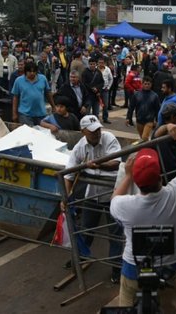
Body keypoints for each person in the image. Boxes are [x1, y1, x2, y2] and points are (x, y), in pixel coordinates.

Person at [110, 120, 176, 311]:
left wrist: (128, 176)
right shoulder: (175, 194)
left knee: (127, 307)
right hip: (169, 268)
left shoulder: (126, 206)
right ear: (161, 177)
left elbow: (114, 198)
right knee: (170, 306)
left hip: (133, 269)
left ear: (138, 184)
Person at [63, 115, 123, 283]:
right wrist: (67, 196)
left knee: (115, 234)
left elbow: (116, 162)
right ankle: (79, 257)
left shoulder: (109, 138)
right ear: (83, 132)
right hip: (92, 195)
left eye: (98, 129)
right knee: (86, 230)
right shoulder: (80, 146)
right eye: (92, 131)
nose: (96, 133)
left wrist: (99, 164)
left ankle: (117, 269)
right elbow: (69, 172)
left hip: (112, 194)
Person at [11, 61, 55, 126]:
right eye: (30, 71)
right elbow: (15, 97)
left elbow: (48, 93)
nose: (32, 73)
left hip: (41, 114)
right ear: (25, 72)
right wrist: (14, 113)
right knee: (29, 134)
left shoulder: (43, 78)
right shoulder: (18, 80)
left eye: (34, 71)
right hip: (25, 114)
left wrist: (53, 106)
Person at [126, 76, 160, 141]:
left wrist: (157, 120)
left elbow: (157, 109)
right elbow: (131, 107)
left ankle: (146, 149)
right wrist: (128, 118)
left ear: (151, 85)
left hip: (149, 120)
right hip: (139, 120)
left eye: (148, 84)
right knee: (142, 138)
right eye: (145, 84)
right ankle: (145, 149)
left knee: (144, 137)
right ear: (142, 84)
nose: (147, 85)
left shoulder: (155, 96)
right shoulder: (137, 94)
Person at [98, 57, 114, 124]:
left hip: (105, 90)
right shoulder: (95, 69)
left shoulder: (107, 69)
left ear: (104, 63)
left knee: (105, 105)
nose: (101, 64)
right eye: (99, 63)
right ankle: (96, 119)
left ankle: (105, 118)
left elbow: (111, 79)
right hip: (97, 90)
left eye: (102, 63)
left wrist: (108, 87)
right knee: (96, 106)